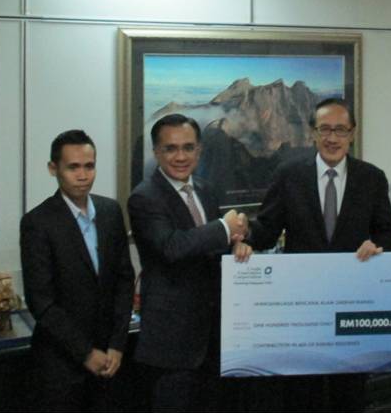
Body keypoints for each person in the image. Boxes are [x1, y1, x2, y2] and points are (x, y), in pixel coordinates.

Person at [247, 97, 391, 412]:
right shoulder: (289, 174)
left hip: (352, 302)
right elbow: (266, 230)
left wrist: (377, 246)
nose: (332, 138)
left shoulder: (372, 178)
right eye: (325, 129)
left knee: (349, 394)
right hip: (303, 306)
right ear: (312, 133)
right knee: (303, 393)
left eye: (340, 130)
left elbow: (387, 234)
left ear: (352, 134)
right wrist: (241, 237)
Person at [127, 113, 250, 412]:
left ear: (199, 150)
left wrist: (237, 244)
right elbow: (172, 247)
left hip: (214, 339)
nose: (180, 157)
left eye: (188, 147)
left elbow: (209, 248)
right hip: (173, 345)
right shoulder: (144, 197)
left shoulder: (206, 190)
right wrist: (224, 228)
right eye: (170, 148)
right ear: (156, 152)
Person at [19, 129, 135, 411]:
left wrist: (117, 344)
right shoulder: (38, 223)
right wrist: (85, 353)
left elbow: (124, 279)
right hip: (61, 364)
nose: (83, 175)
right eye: (73, 167)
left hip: (111, 358)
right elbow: (41, 302)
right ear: (53, 169)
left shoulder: (110, 211)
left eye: (89, 166)